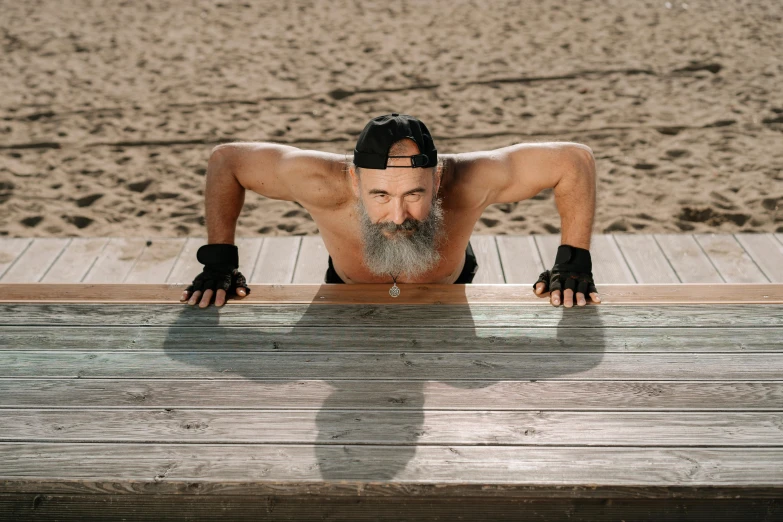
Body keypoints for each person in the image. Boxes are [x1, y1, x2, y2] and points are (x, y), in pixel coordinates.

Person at [180, 113, 600, 308]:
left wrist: (573, 262)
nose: (398, 216)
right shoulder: (320, 181)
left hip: (448, 287)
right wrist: (219, 263)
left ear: (437, 180)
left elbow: (574, 161)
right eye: (380, 195)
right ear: (353, 180)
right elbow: (226, 162)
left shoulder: (469, 180)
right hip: (344, 288)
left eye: (414, 194)